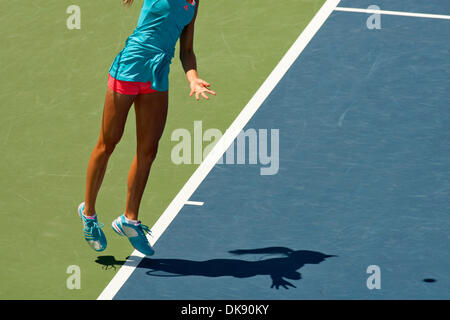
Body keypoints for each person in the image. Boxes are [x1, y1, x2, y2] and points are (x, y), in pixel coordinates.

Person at [77, 0, 215, 256]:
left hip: (157, 74)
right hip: (129, 68)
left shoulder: (195, 2)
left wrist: (193, 78)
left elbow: (186, 50)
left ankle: (129, 220)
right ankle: (89, 215)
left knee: (148, 150)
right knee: (108, 143)